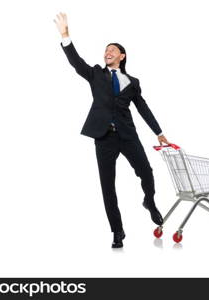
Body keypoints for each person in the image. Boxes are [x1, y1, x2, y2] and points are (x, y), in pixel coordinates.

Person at [54, 12, 169, 248]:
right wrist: (65, 35)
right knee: (108, 187)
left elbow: (143, 108)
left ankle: (150, 201)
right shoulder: (96, 73)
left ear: (122, 56)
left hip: (128, 136)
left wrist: (159, 132)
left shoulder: (133, 82)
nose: (108, 52)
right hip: (103, 137)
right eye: (106, 50)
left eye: (112, 50)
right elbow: (76, 63)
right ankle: (117, 232)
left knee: (146, 172)